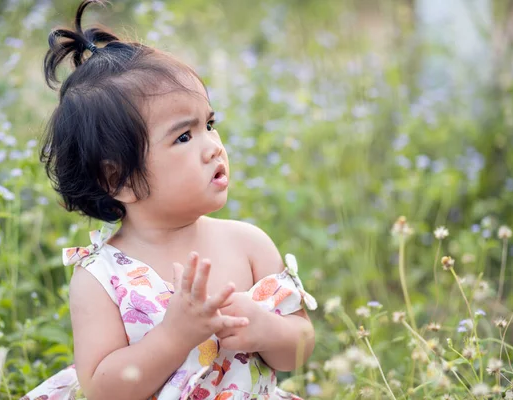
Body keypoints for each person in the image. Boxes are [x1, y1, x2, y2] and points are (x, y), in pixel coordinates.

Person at [21, 1, 317, 399]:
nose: (213, 147)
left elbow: (299, 347)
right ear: (119, 178)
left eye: (209, 125)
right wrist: (175, 335)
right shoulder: (101, 278)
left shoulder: (248, 244)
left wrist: (265, 329)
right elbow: (102, 388)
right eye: (183, 136)